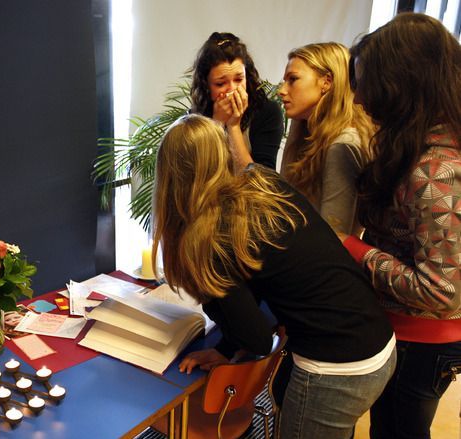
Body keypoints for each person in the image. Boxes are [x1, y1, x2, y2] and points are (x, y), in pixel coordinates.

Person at [153, 114, 395, 438]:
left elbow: (256, 338)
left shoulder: (213, 238)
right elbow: (261, 285)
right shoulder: (263, 184)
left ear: (169, 178)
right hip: (376, 341)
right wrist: (225, 348)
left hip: (336, 368)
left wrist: (220, 314)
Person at [341, 12, 461, 439]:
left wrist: (354, 250)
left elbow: (441, 291)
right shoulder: (422, 148)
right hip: (410, 337)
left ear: (401, 84)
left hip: (423, 344)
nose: (358, 100)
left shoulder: (435, 170)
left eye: (367, 84)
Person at [279, 42, 374, 235]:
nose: (282, 90)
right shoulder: (309, 133)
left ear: (326, 82)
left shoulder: (343, 144)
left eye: (293, 79)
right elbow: (284, 202)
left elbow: (335, 236)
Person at [190, 32, 283, 171]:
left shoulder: (267, 111)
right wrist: (218, 124)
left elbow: (263, 184)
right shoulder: (194, 118)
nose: (232, 90)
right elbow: (197, 178)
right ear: (206, 86)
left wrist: (233, 127)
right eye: (221, 84)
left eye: (239, 80)